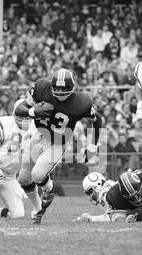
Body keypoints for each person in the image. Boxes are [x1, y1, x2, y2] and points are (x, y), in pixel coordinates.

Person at [14, 68, 102, 224]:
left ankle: (49, 188)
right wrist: (34, 111)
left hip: (57, 143)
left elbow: (97, 121)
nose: (60, 92)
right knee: (23, 178)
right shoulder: (42, 88)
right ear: (52, 86)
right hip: (38, 135)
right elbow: (19, 109)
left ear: (72, 87)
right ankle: (37, 209)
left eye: (64, 88)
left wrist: (93, 146)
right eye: (58, 88)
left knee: (38, 175)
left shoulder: (81, 103)